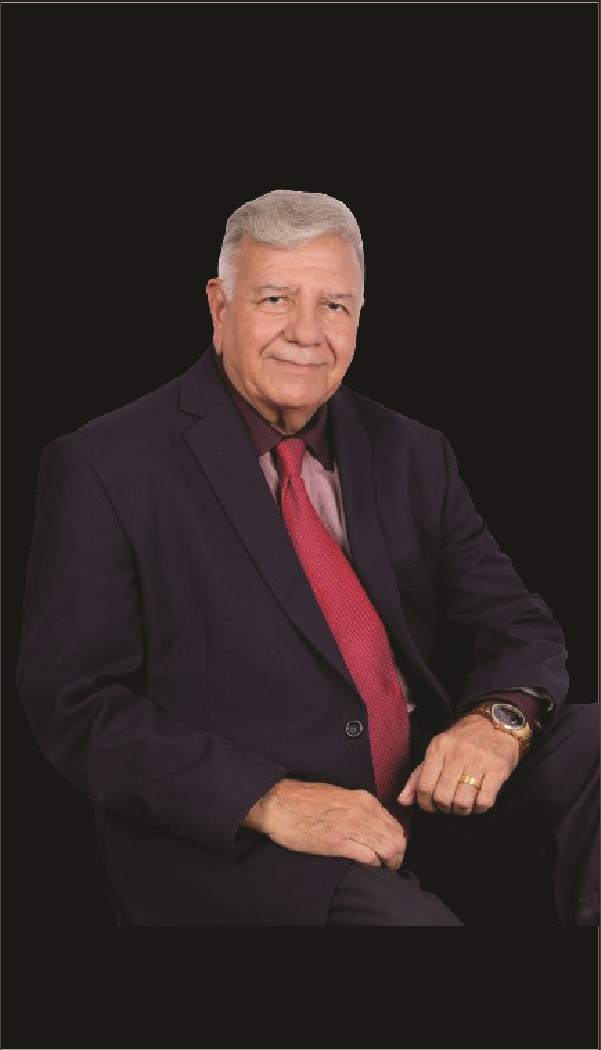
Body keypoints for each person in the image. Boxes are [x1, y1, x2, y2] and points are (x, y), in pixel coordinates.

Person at [16, 188, 599, 927]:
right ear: (219, 306)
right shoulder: (106, 466)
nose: (306, 332)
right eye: (275, 299)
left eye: (334, 305)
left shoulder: (412, 451)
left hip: (416, 798)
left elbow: (516, 622)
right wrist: (267, 799)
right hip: (242, 835)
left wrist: (495, 722)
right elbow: (75, 701)